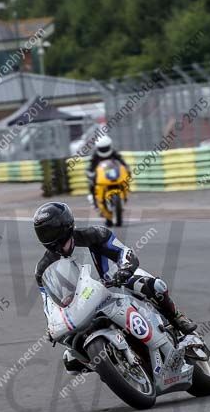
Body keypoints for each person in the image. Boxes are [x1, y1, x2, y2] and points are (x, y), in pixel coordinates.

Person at [33, 202, 197, 372]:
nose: (49, 237)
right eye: (44, 233)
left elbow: (123, 252)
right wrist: (52, 325)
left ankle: (177, 317)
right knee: (71, 361)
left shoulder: (94, 235)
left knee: (154, 286)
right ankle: (115, 362)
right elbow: (49, 305)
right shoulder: (43, 268)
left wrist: (125, 269)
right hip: (83, 305)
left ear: (66, 225)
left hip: (116, 281)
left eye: (52, 230)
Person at [86, 135, 128, 213]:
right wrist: (90, 173)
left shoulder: (114, 152)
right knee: (91, 184)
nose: (104, 150)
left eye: (105, 147)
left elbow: (122, 162)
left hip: (113, 173)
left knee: (125, 181)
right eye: (102, 148)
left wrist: (126, 168)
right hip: (100, 175)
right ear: (98, 147)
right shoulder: (95, 155)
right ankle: (95, 202)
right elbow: (90, 166)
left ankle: (124, 197)